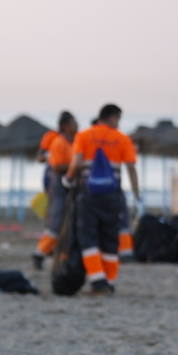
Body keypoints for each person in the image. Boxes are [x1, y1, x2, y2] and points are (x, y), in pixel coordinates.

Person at [65, 103, 141, 294]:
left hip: (88, 193)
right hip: (112, 194)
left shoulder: (84, 136)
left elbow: (76, 162)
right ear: (113, 117)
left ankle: (98, 281)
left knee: (88, 237)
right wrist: (136, 193)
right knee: (110, 239)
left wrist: (68, 179)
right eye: (118, 120)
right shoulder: (122, 139)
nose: (119, 124)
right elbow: (131, 167)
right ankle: (110, 281)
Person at [33, 112, 77, 269]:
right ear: (65, 125)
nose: (76, 125)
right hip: (55, 179)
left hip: (68, 181)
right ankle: (42, 252)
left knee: (66, 219)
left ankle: (56, 251)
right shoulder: (54, 138)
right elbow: (40, 157)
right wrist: (51, 157)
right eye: (73, 122)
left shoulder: (74, 139)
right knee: (56, 219)